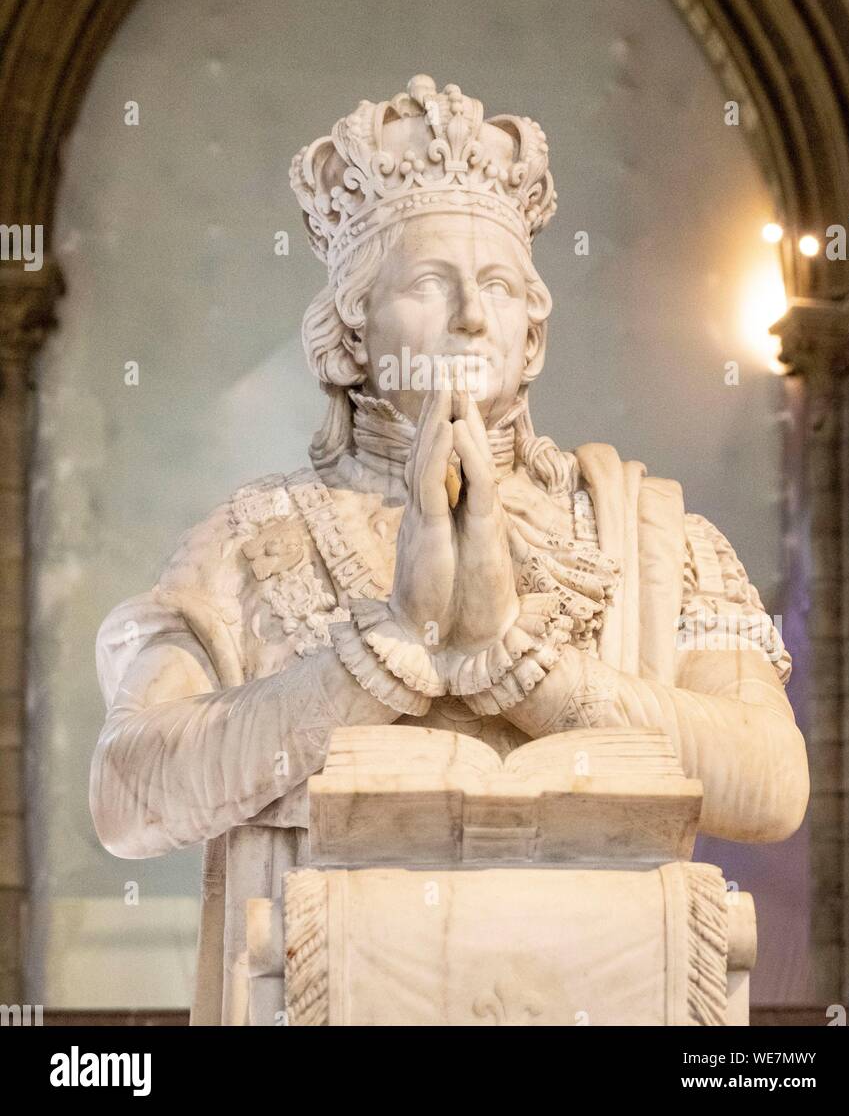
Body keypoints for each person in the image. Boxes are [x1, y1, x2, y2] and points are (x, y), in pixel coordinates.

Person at [90, 75, 809, 1024]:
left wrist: (521, 665)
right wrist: (386, 653)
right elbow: (130, 794)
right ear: (353, 328)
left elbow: (769, 780)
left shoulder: (648, 533)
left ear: (532, 331)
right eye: (432, 283)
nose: (473, 314)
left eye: (501, 286)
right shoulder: (257, 539)